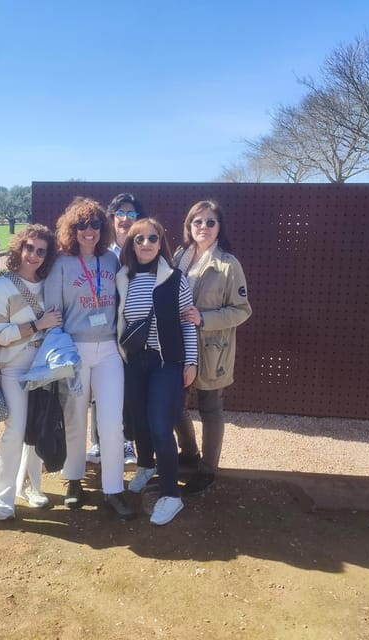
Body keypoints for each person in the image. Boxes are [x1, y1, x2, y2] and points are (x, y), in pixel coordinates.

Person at [43, 197, 135, 518]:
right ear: (73, 229)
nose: (89, 231)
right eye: (82, 225)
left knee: (111, 423)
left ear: (102, 228)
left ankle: (113, 488)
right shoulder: (61, 264)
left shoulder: (111, 261)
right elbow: (53, 313)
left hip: (109, 349)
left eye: (95, 224)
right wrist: (59, 352)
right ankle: (73, 479)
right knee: (75, 418)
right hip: (76, 348)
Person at [116, 217, 198, 525]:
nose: (146, 244)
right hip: (135, 360)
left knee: (161, 424)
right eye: (140, 239)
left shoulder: (175, 278)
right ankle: (146, 465)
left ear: (160, 242)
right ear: (131, 244)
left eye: (153, 238)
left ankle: (170, 495)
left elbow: (188, 323)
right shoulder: (123, 278)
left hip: (167, 362)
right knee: (138, 420)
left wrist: (191, 362)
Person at [173, 200, 252, 493]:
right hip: (177, 346)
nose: (203, 227)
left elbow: (242, 310)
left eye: (210, 222)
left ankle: (207, 469)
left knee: (210, 408)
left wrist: (203, 318)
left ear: (219, 227)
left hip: (212, 349)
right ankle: (189, 453)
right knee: (174, 405)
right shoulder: (179, 257)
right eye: (197, 221)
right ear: (189, 225)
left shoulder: (228, 264)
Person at [0, 224, 62, 521]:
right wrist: (37, 326)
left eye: (41, 251)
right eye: (29, 247)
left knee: (38, 428)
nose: (34, 255)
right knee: (16, 430)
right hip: (14, 367)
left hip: (44, 366)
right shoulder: (3, 286)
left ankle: (30, 486)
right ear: (19, 247)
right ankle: (2, 496)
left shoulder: (49, 286)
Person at [86, 193, 147, 466]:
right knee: (101, 393)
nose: (125, 219)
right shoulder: (102, 251)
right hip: (104, 330)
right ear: (112, 218)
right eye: (120, 213)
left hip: (132, 331)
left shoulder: (141, 249)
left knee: (128, 390)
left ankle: (127, 443)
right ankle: (98, 443)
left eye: (132, 214)